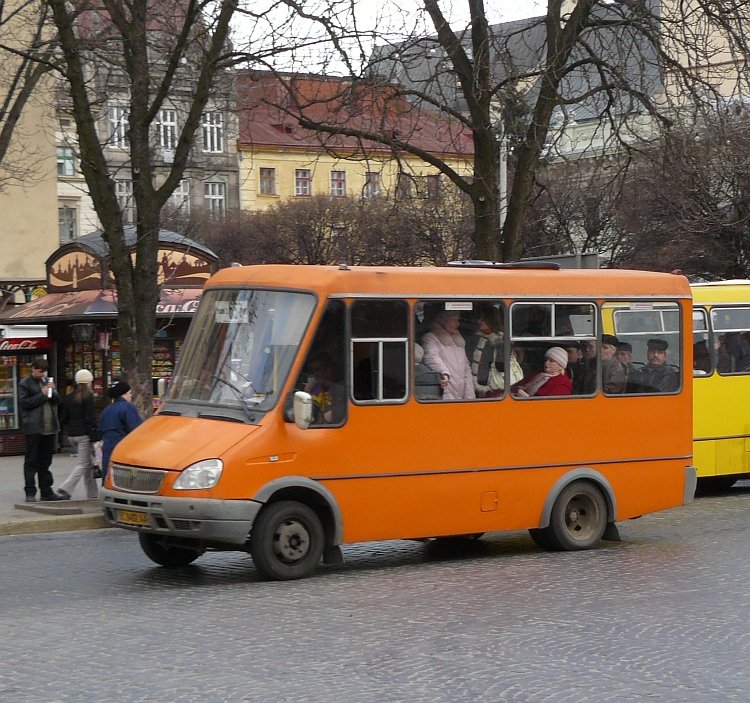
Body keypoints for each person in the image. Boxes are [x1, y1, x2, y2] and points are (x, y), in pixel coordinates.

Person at [18, 357, 66, 502]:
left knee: (45, 461)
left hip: (49, 427)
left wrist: (53, 392)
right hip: (34, 427)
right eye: (39, 372)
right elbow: (25, 403)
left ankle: (46, 491)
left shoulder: (46, 381)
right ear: (33, 369)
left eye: (44, 372)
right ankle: (30, 491)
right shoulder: (25, 384)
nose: (42, 375)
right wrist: (42, 395)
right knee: (31, 461)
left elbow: (56, 402)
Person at [56, 369, 99, 500]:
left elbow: (63, 418)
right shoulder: (88, 397)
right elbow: (89, 419)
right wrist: (96, 437)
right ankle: (65, 488)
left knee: (88, 465)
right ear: (89, 382)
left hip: (71, 435)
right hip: (83, 435)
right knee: (84, 464)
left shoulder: (69, 397)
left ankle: (92, 494)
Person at [421, 310, 476, 400]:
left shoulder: (458, 341)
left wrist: (469, 398)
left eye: (458, 320)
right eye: (454, 320)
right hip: (444, 392)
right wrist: (444, 373)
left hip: (461, 396)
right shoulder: (430, 338)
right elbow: (431, 357)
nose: (457, 324)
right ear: (443, 320)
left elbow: (466, 368)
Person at [97, 381, 143, 484]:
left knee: (108, 474)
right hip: (123, 446)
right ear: (124, 394)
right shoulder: (127, 407)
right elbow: (136, 429)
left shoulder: (107, 410)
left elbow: (100, 430)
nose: (131, 396)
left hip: (108, 447)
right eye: (130, 393)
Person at [465, 305, 504, 398]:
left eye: (483, 319)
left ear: (490, 321)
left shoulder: (500, 341)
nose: (479, 322)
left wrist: (499, 346)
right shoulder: (473, 338)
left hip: (492, 386)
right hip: (472, 384)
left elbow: (501, 366)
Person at [302, 352, 346, 423]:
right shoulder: (314, 388)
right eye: (313, 370)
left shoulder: (340, 390)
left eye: (317, 369)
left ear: (328, 369)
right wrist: (306, 392)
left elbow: (339, 412)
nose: (315, 374)